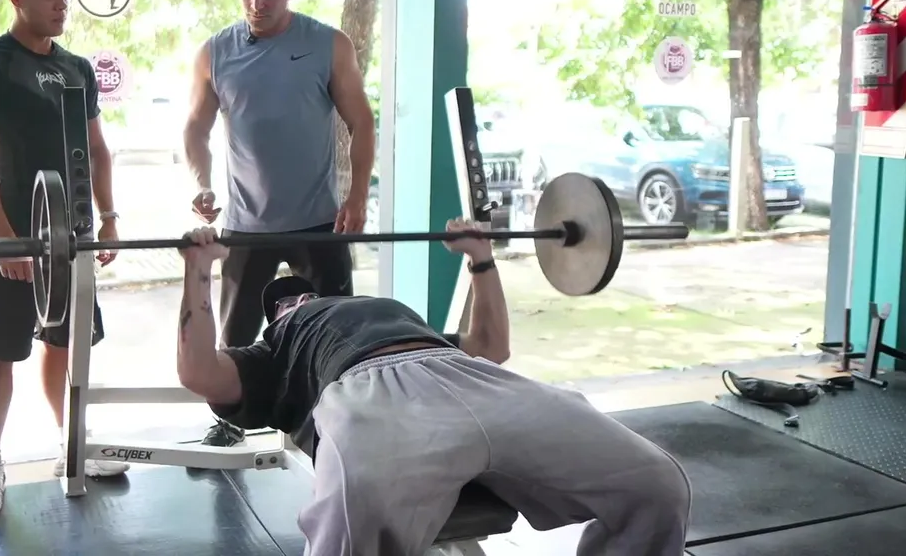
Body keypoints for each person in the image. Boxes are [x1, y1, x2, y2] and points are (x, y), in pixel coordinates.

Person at [173, 222, 693, 556]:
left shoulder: (385, 311)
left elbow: (491, 345)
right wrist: (199, 271)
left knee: (654, 484)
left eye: (301, 294)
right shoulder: (272, 353)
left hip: (470, 377)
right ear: (276, 320)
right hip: (371, 397)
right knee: (355, 518)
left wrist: (481, 257)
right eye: (284, 304)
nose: (298, 301)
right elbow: (199, 372)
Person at [0, 0, 128, 519]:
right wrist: (5, 239)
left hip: (69, 234)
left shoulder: (77, 69)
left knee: (66, 343)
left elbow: (97, 149)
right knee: (1, 349)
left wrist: (108, 217)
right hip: (10, 233)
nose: (61, 7)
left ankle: (72, 445)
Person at [183, 0, 377, 448]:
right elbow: (196, 128)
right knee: (235, 336)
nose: (257, 4)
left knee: (337, 330)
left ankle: (338, 424)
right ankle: (229, 422)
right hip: (246, 225)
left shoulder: (328, 44)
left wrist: (357, 196)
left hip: (318, 219)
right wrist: (202, 183)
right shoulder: (215, 53)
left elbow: (361, 121)